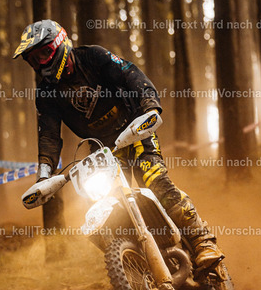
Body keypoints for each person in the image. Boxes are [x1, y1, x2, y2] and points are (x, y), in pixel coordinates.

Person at [13, 19, 224, 269]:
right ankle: (138, 268)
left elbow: (130, 75)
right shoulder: (46, 93)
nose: (40, 64)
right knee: (106, 203)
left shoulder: (93, 57)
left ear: (60, 45)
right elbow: (48, 136)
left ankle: (202, 241)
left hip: (135, 129)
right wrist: (44, 176)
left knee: (154, 179)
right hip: (103, 150)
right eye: (33, 60)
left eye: (44, 54)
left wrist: (149, 106)